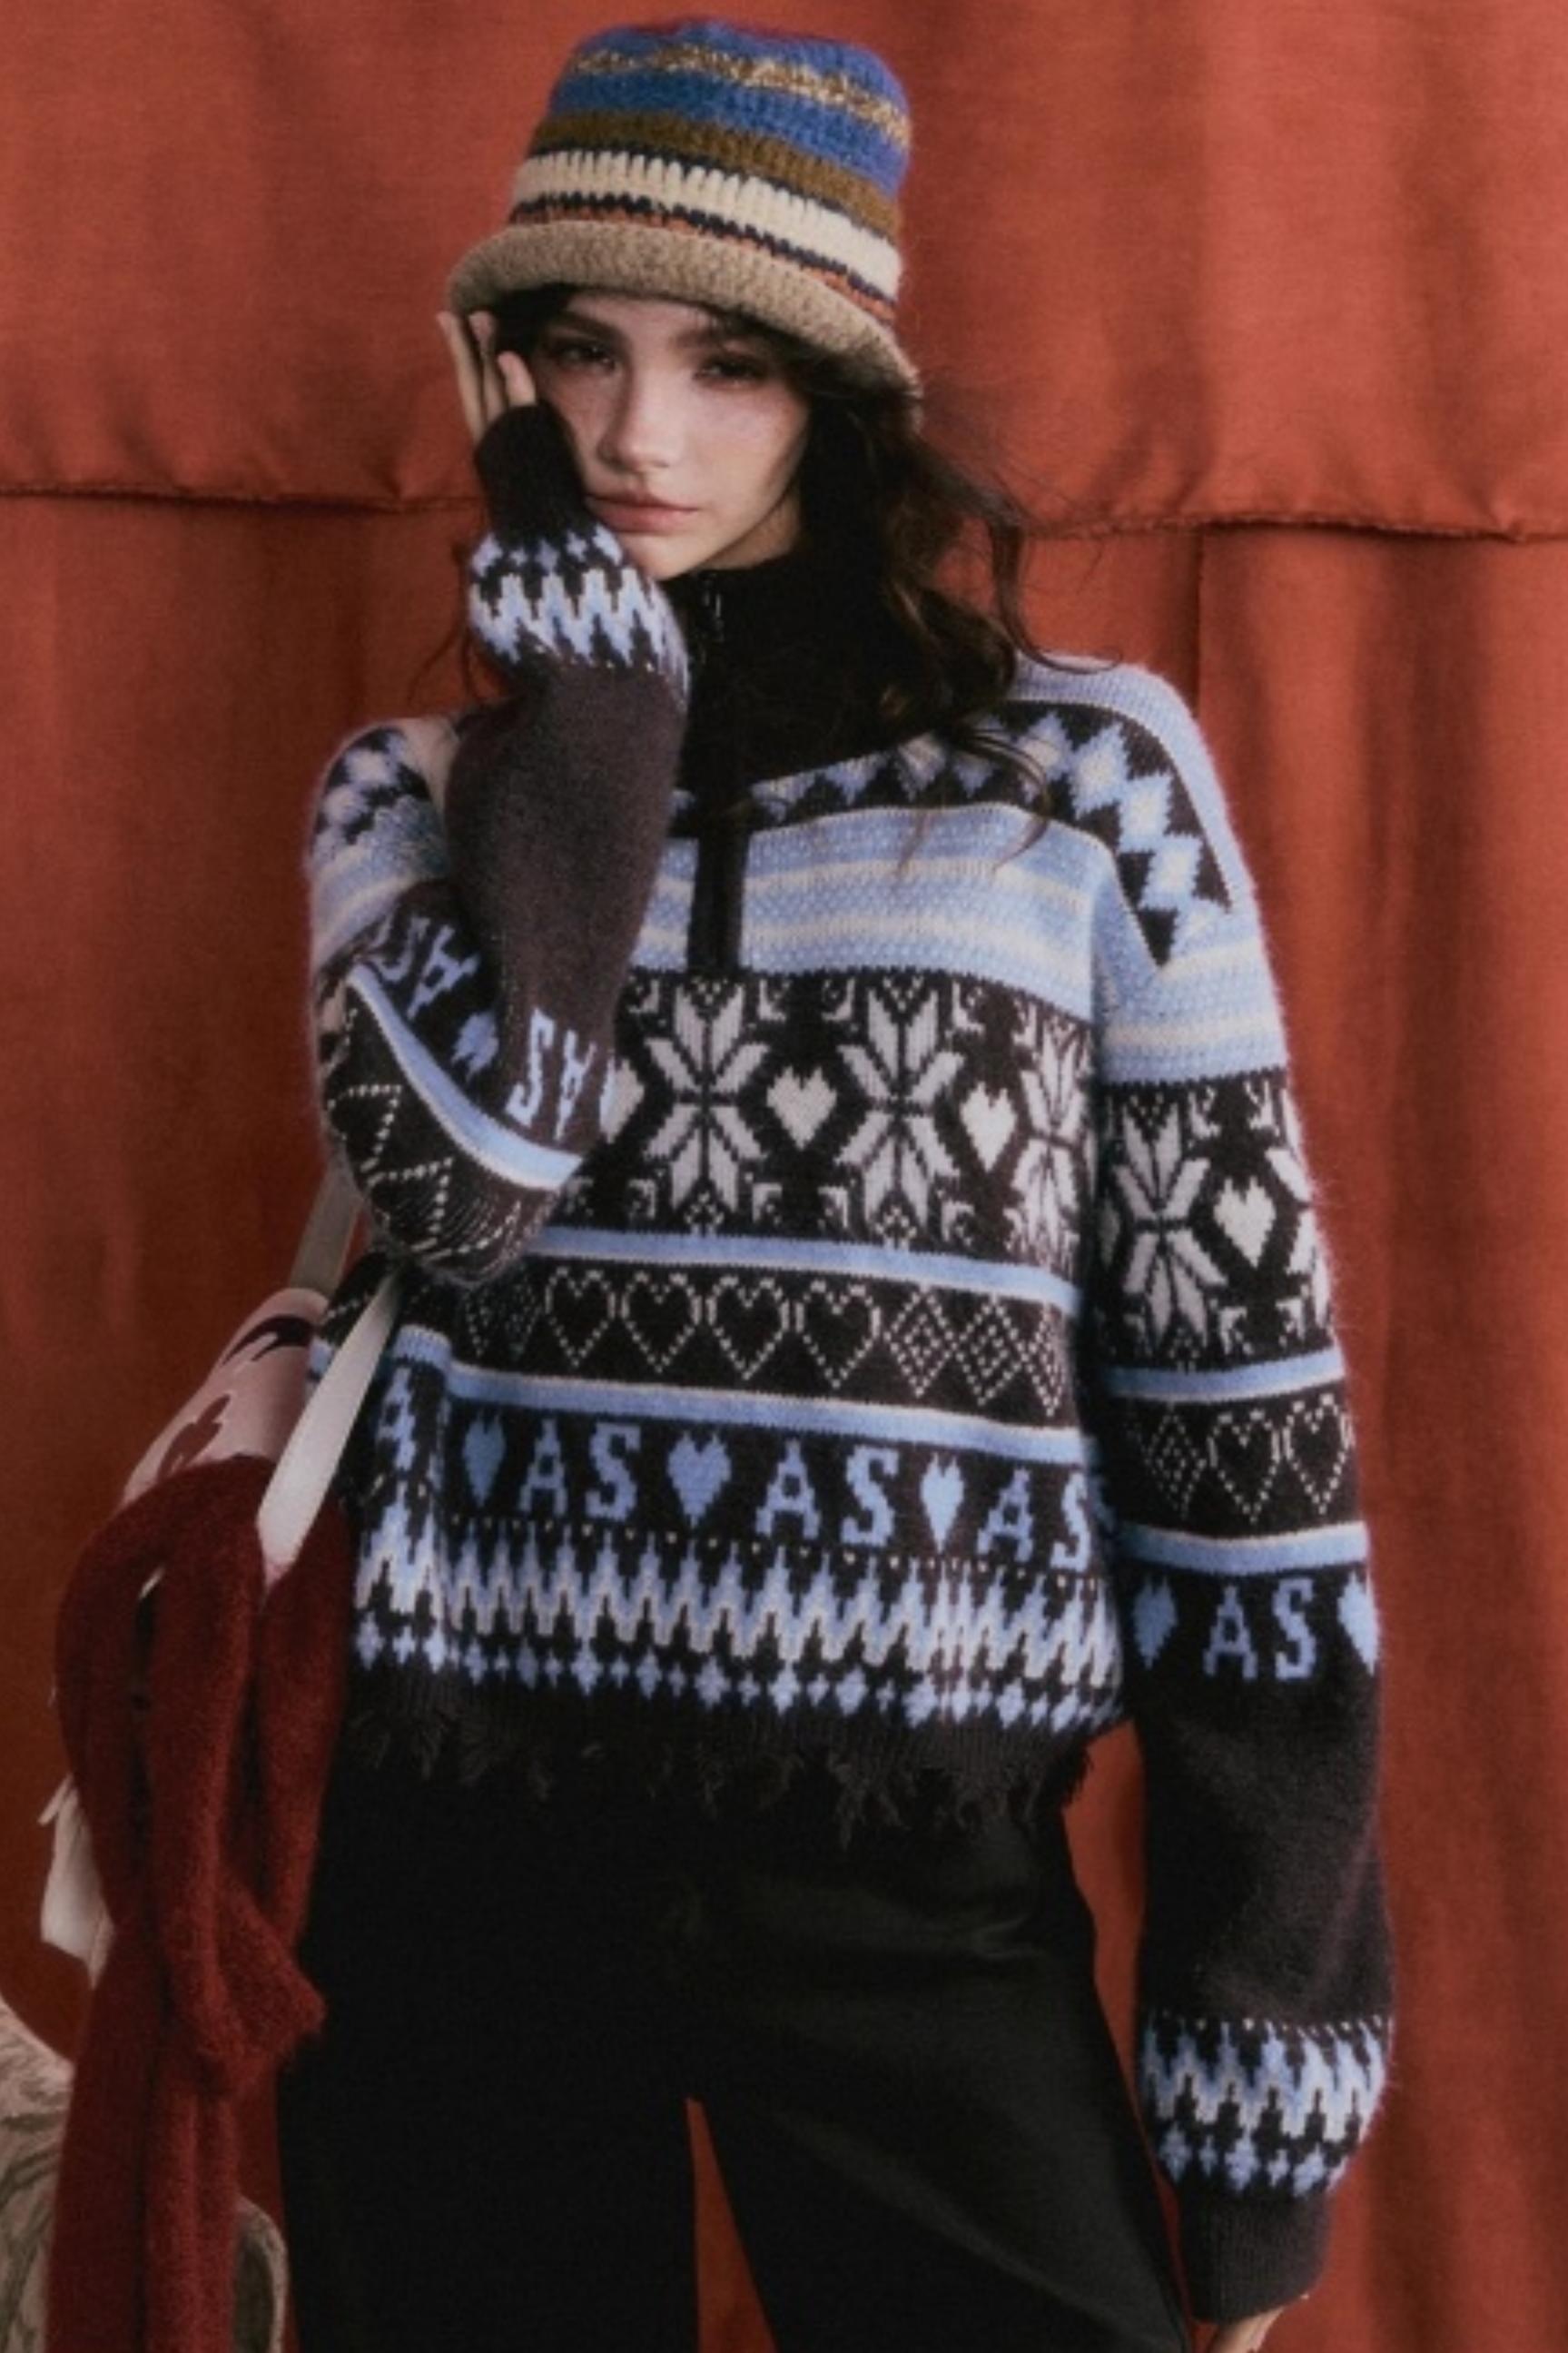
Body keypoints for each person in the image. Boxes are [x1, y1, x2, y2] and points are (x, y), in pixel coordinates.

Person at [275, 20, 1394, 2353]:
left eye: (731, 365)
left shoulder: (1082, 784)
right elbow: (466, 1186)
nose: (639, 438)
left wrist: (1257, 2098)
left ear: (840, 402)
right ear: (501, 386)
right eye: (578, 356)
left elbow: (1242, 1436)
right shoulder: (412, 798)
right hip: (462, 1832)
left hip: (908, 1874)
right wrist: (599, 714)